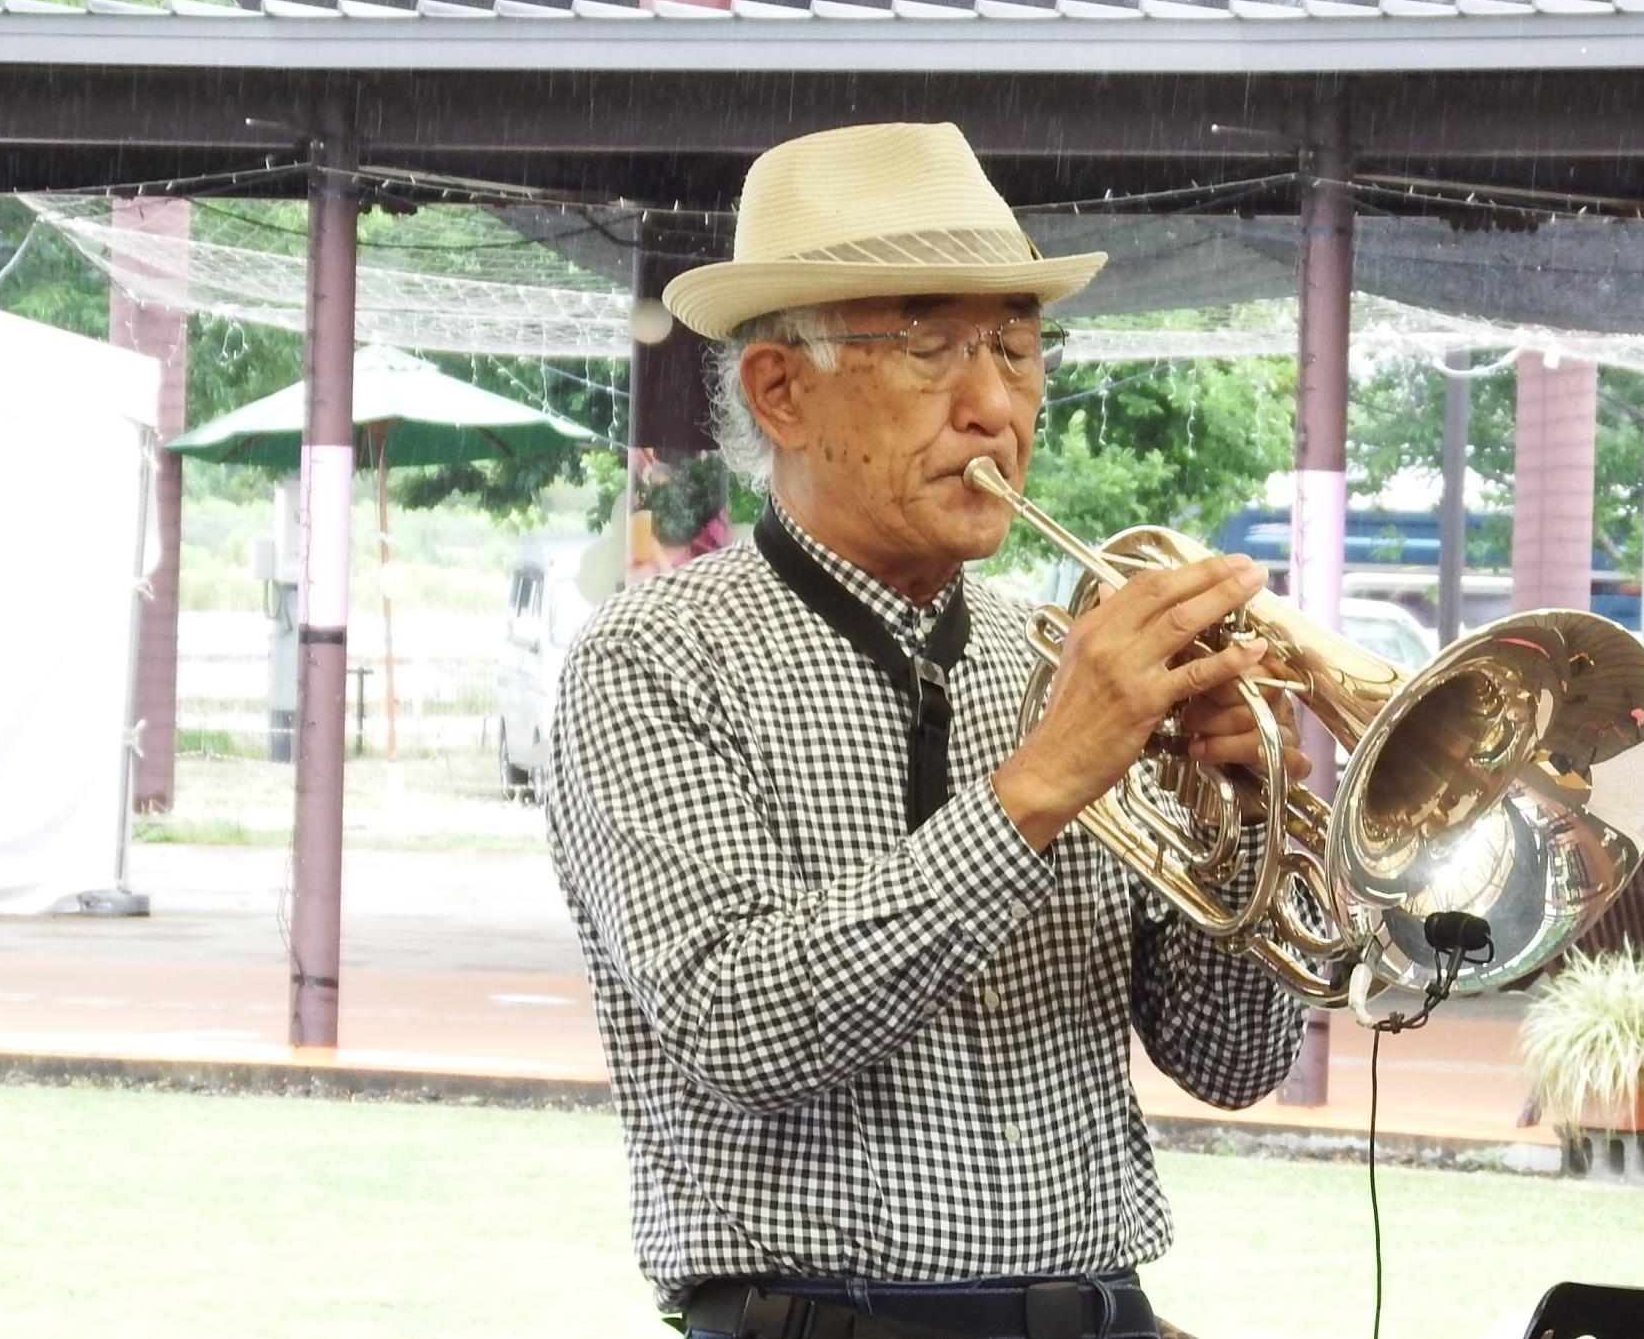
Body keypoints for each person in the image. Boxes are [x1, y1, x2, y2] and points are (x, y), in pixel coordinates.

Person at [545, 121, 1311, 1339]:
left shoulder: (1051, 653)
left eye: (1015, 349)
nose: (992, 405)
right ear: (780, 390)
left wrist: (1253, 822)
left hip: (1100, 1312)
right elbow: (741, 1025)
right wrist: (1043, 779)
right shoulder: (649, 655)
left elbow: (1231, 1063)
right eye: (928, 348)